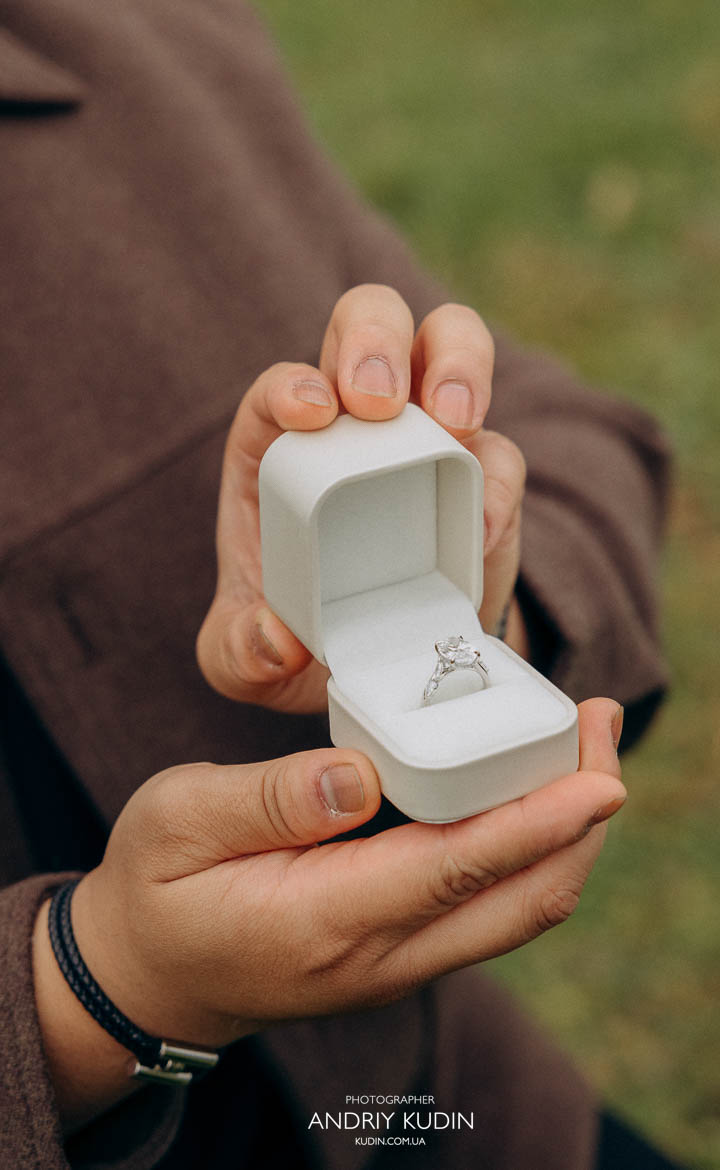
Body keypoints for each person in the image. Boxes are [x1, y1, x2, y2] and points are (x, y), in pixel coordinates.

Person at [0, 2, 675, 1167]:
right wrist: (96, 991)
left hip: (454, 1113)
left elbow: (584, 435)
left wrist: (493, 604)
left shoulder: (140, 39)